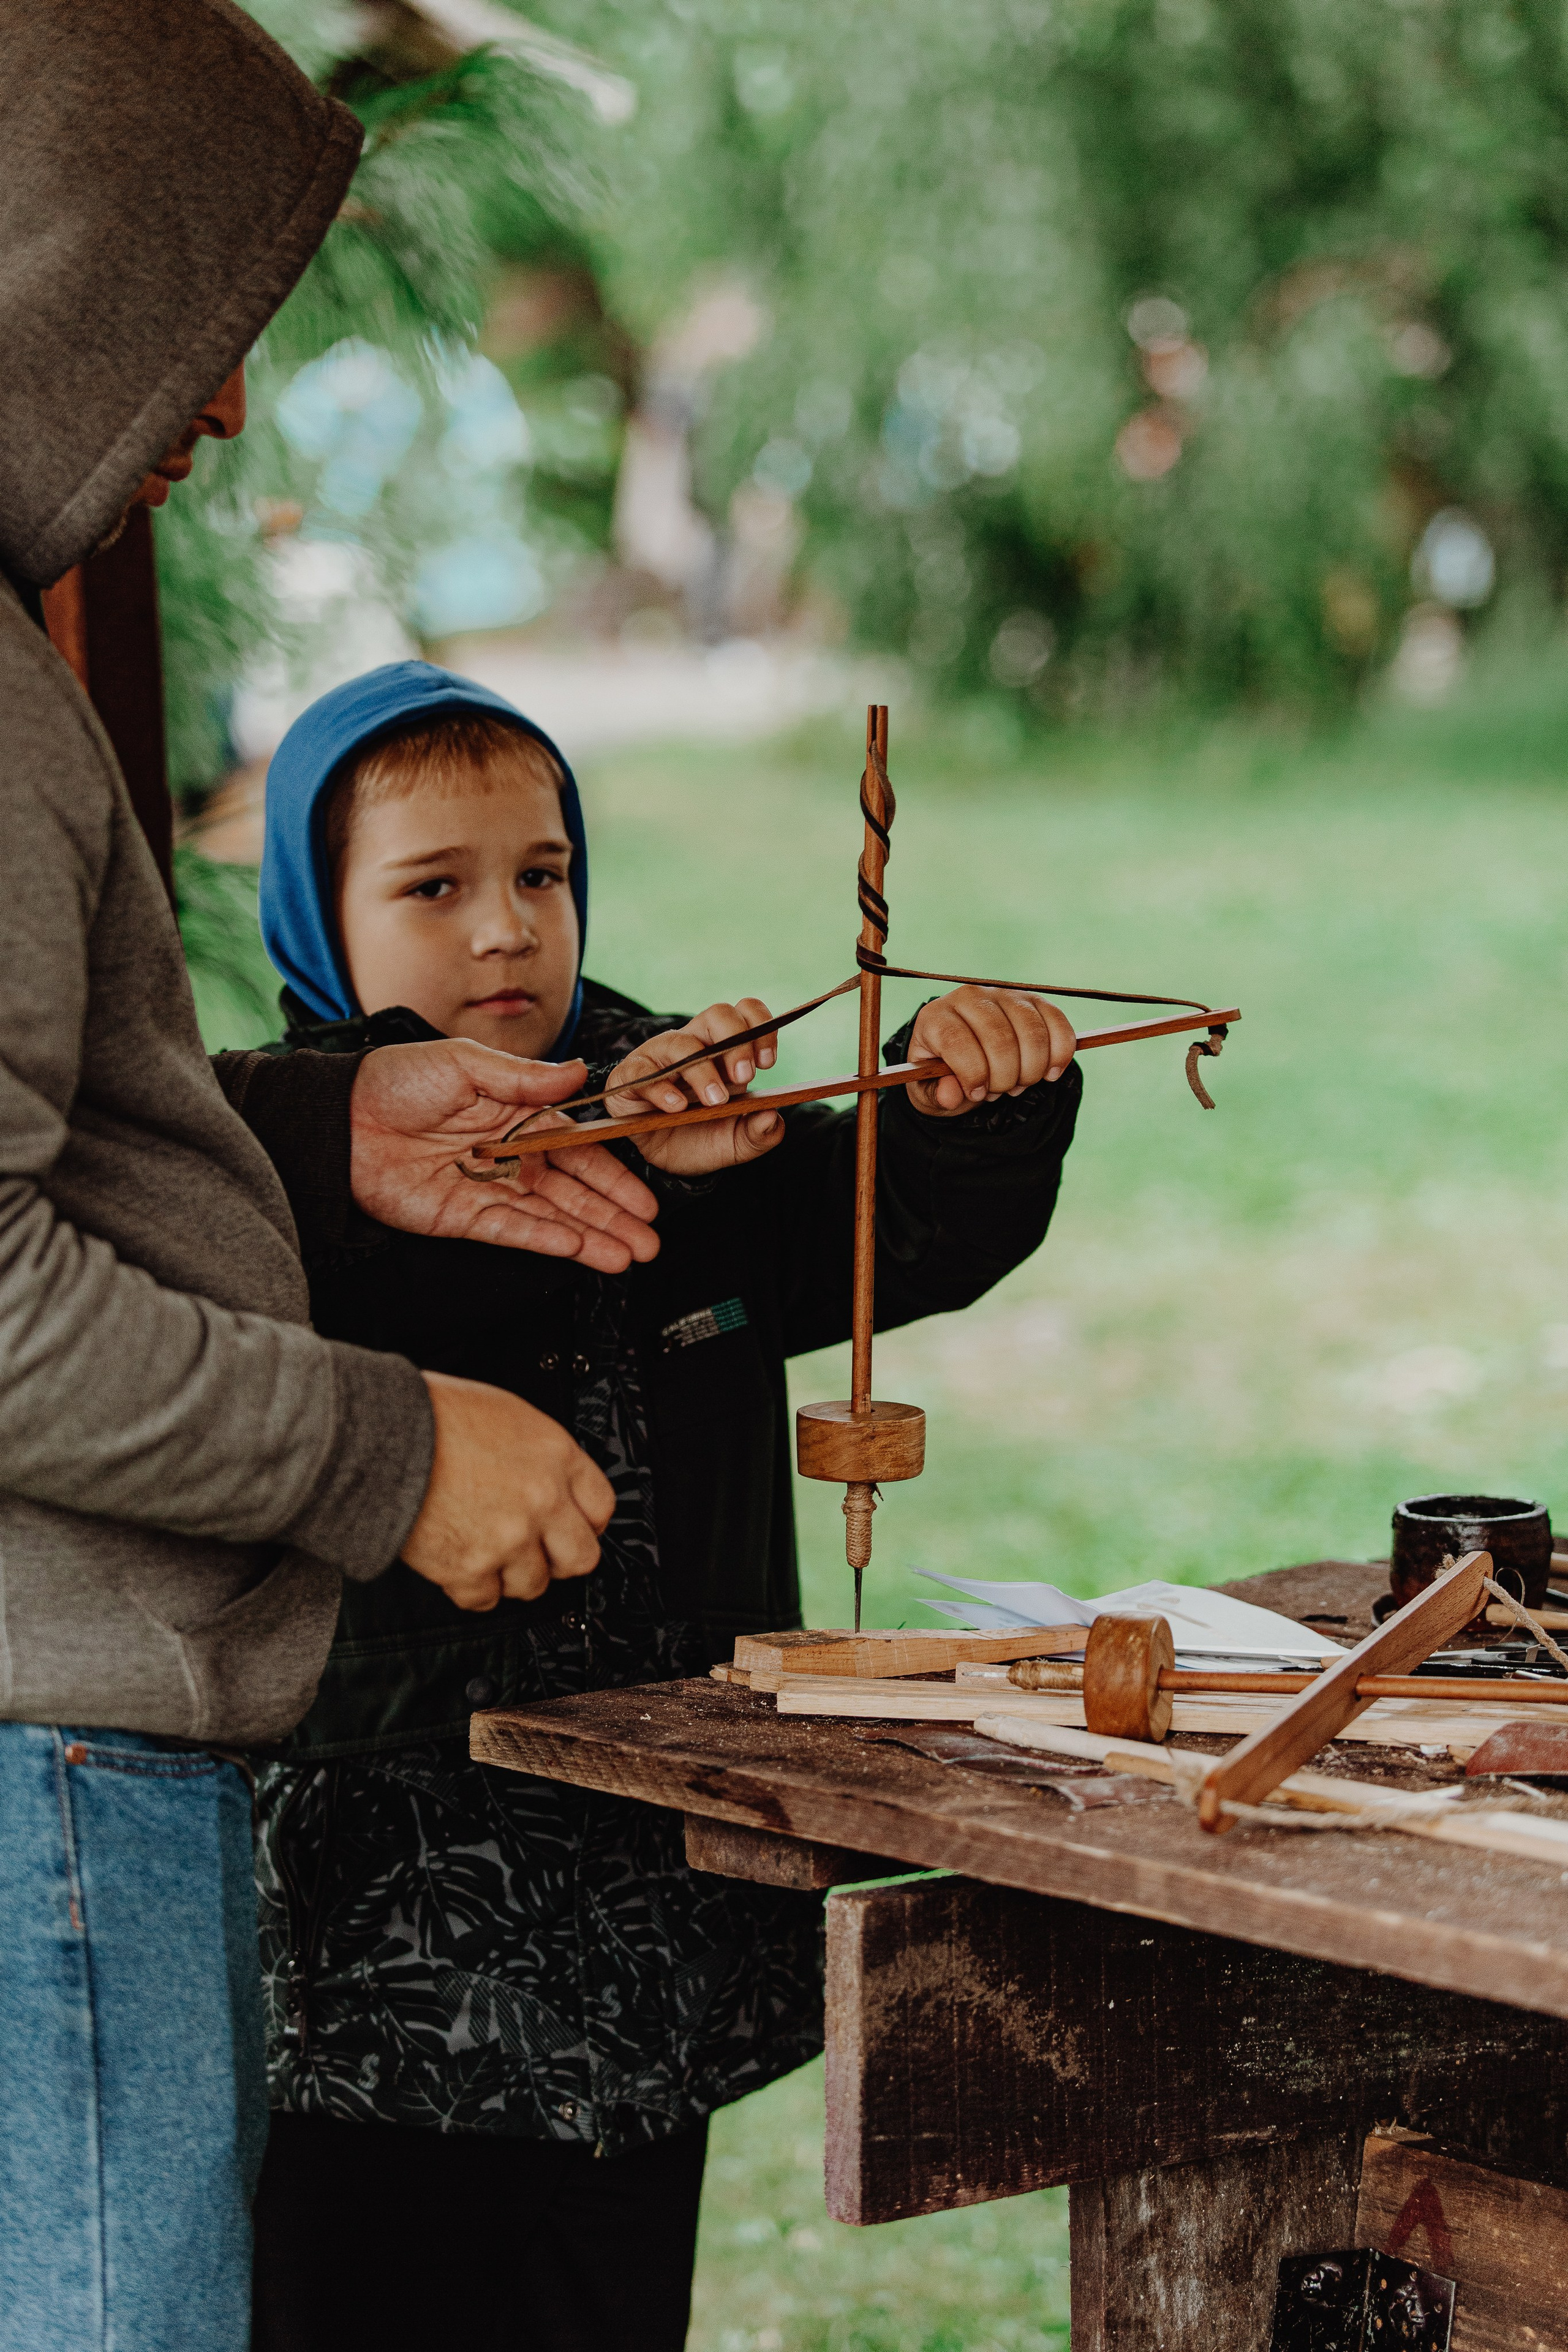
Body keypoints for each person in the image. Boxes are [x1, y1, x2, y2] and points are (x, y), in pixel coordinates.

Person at [0, 11, 660, 2351]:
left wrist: (317, 1128)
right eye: (189, 313)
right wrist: (389, 1453)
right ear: (49, 261)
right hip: (55, 1760)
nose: (221, 405)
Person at [244, 661, 1085, 2352]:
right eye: (433, 889)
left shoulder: (689, 1101)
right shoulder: (286, 1175)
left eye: (542, 874)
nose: (506, 931)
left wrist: (967, 1117)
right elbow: (403, 1303)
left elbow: (872, 1240)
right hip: (386, 1948)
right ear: (318, 921)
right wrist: (609, 1152)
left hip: (651, 1925)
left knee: (609, 2296)